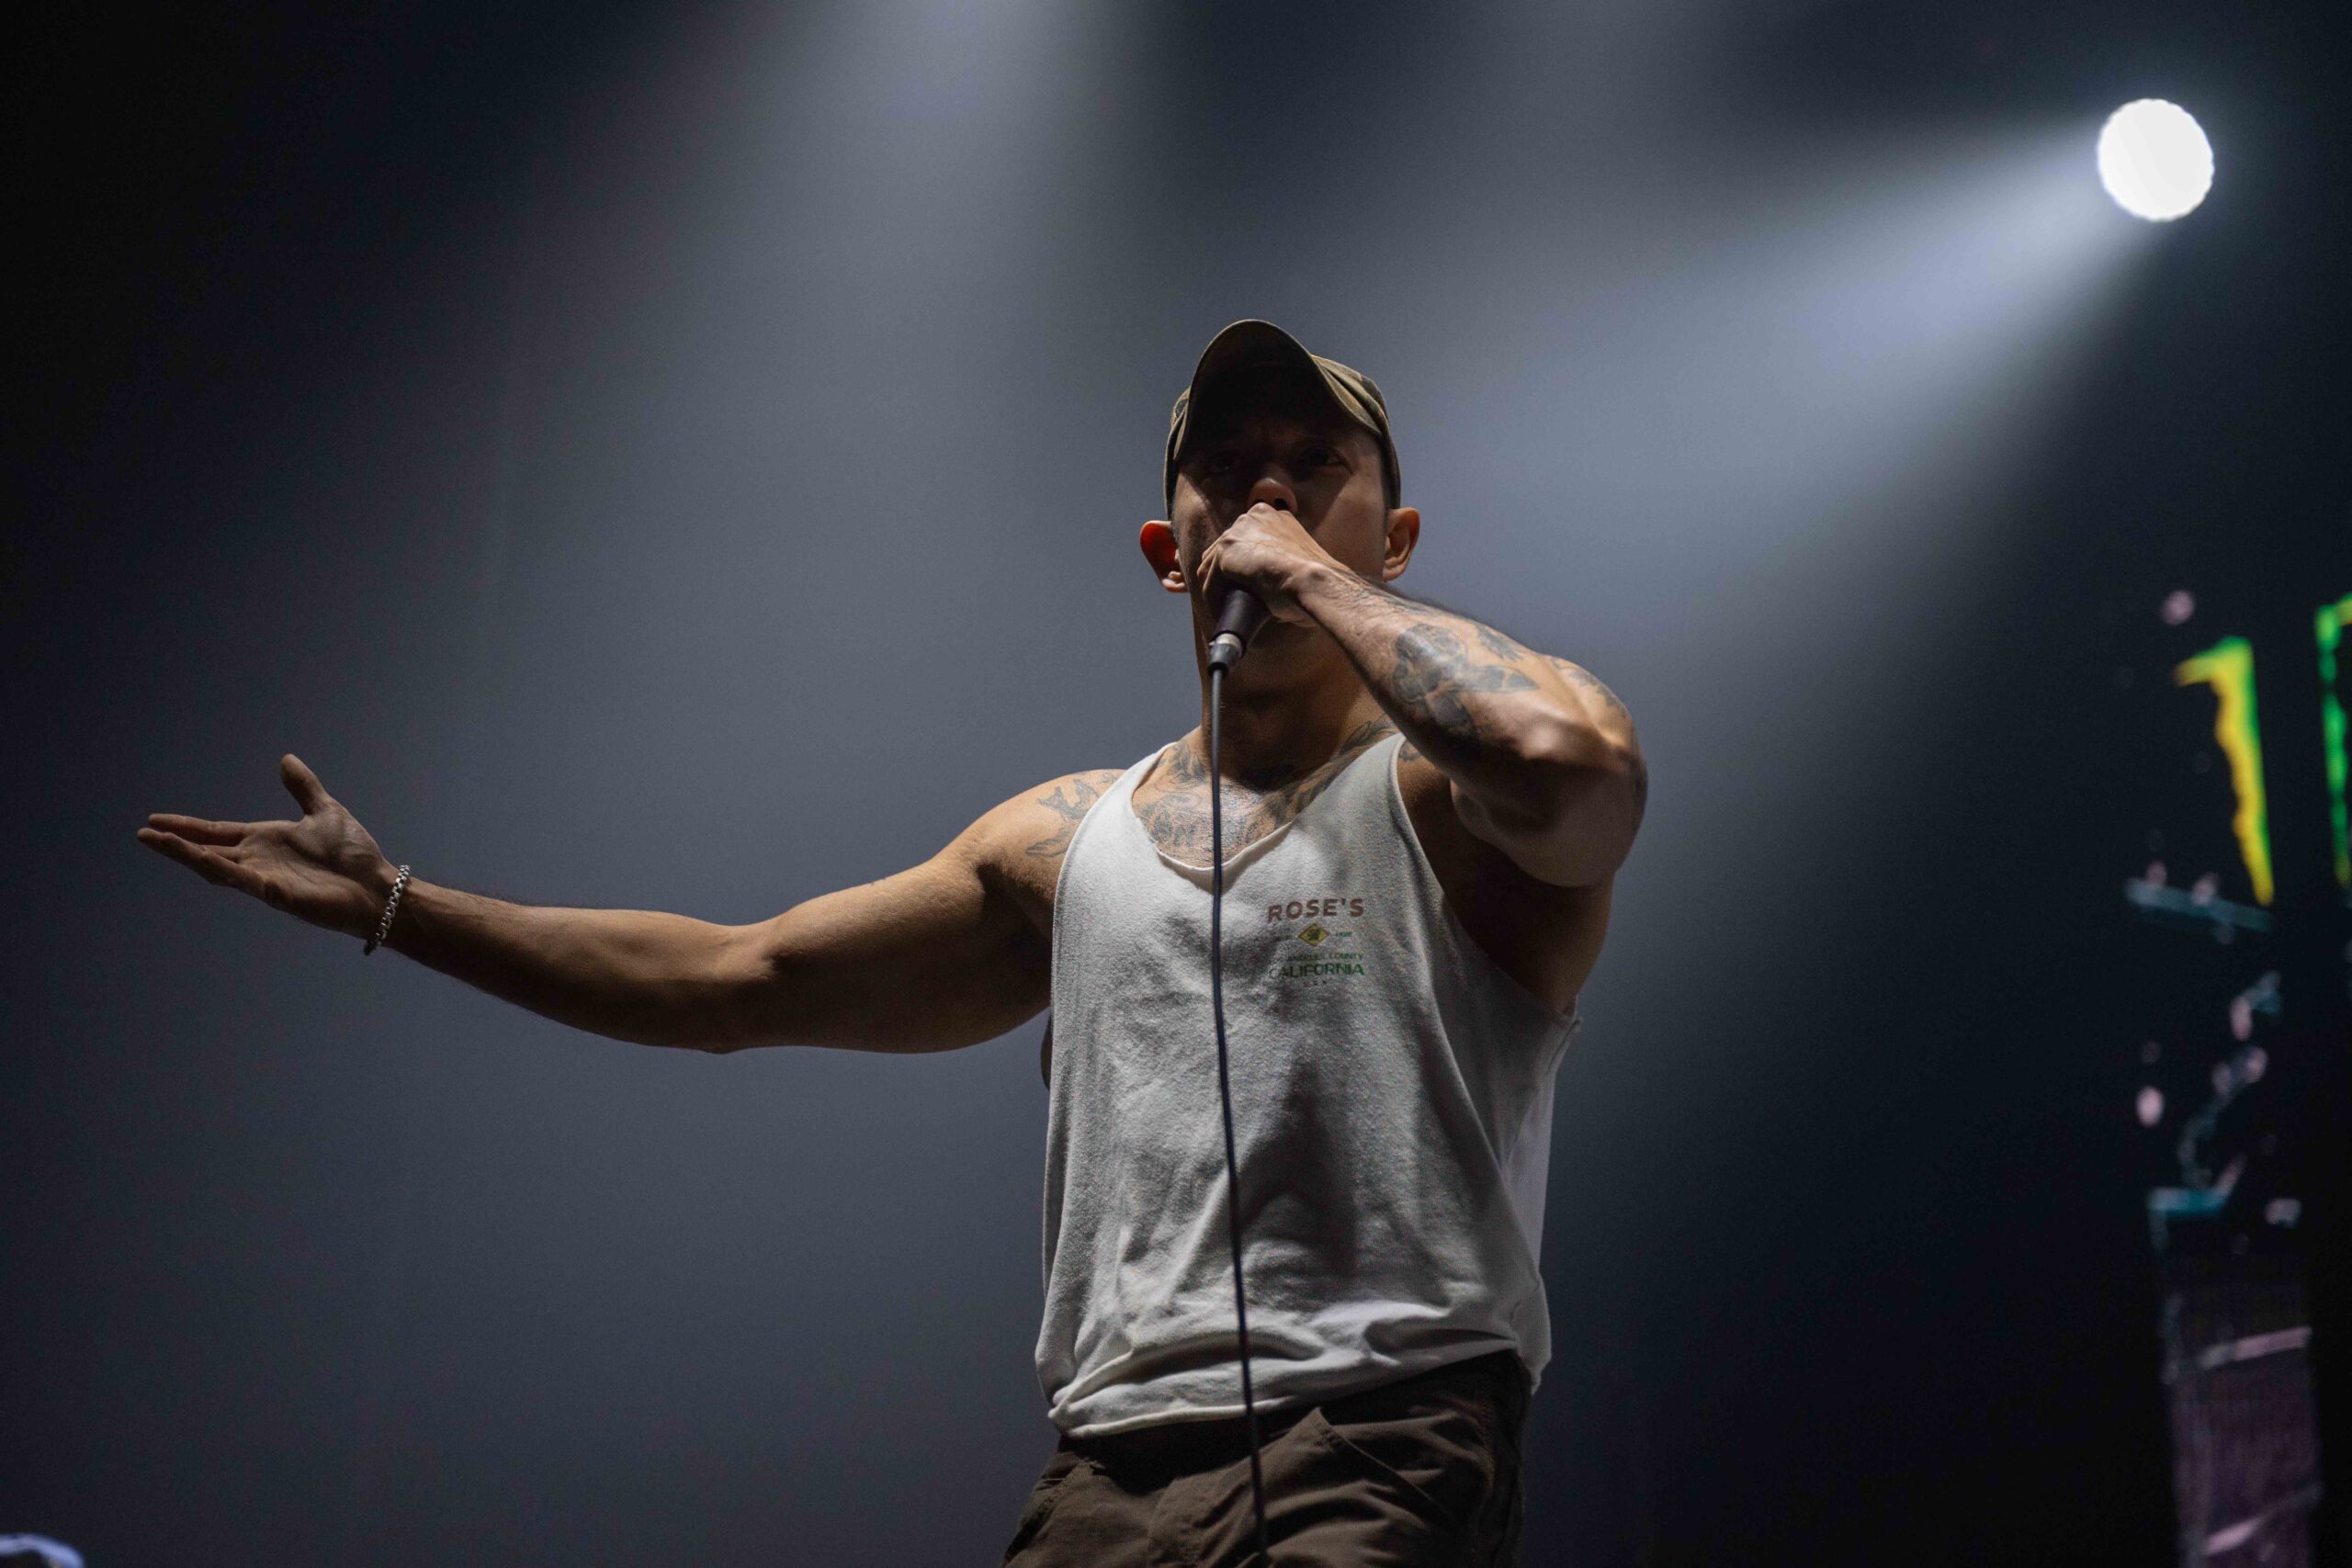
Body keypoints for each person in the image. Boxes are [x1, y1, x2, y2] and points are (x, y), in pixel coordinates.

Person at [139, 320, 1645, 1565]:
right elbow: (735, 979)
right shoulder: (1064, 839)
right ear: (1165, 546)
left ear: (1398, 537)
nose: (1266, 491)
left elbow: (1566, 766)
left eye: (1317, 467)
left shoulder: (1447, 799)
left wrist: (1312, 573)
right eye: (1227, 468)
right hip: (1109, 1469)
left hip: (1375, 1438)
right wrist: (398, 903)